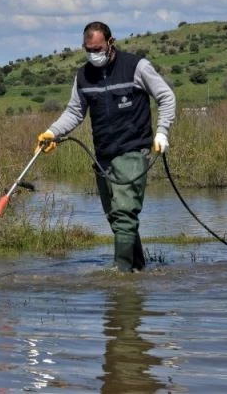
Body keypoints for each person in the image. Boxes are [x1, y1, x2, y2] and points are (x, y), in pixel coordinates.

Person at [36, 21, 176, 272]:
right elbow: (75, 112)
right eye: (88, 49)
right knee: (117, 217)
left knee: (124, 215)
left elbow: (166, 96)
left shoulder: (136, 66)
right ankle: (137, 269)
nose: (94, 54)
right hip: (103, 156)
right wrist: (51, 132)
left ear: (111, 43)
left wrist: (162, 132)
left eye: (98, 48)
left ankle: (120, 276)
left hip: (133, 151)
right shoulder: (83, 76)